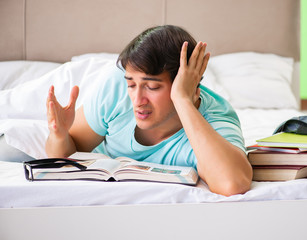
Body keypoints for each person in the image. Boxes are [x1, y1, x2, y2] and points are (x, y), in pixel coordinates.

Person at [46, 25, 252, 196]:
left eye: (152, 87)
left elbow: (232, 184)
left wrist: (183, 100)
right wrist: (59, 134)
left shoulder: (216, 116)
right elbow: (63, 157)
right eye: (131, 84)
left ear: (189, 83)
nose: (137, 100)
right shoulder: (116, 87)